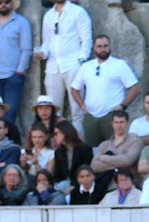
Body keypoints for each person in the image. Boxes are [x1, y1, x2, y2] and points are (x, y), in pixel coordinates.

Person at [69, 34, 140, 149]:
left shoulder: (119, 65)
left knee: (115, 149)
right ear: (94, 48)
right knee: (91, 152)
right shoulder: (86, 67)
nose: (103, 49)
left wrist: (122, 106)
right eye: (99, 46)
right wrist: (82, 106)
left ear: (110, 47)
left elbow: (135, 88)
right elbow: (74, 89)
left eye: (105, 46)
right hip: (90, 117)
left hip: (111, 117)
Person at [34, 0, 92, 128]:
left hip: (73, 64)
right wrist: (42, 53)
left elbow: (86, 39)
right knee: (54, 110)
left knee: (77, 109)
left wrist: (81, 61)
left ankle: (79, 142)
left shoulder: (78, 12)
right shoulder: (48, 15)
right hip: (53, 66)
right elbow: (47, 42)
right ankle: (55, 143)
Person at [0, 0, 31, 128]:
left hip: (13, 75)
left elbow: (26, 49)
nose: (3, 5)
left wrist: (19, 71)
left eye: (6, 2)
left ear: (12, 4)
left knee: (10, 113)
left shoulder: (21, 22)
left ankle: (9, 143)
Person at [89, 110, 142, 182]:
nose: (119, 126)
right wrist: (119, 164)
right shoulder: (104, 145)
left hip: (127, 183)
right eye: (116, 122)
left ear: (127, 123)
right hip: (106, 185)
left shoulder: (135, 141)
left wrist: (102, 157)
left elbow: (127, 161)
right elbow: (94, 166)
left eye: (121, 122)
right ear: (112, 124)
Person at [48, 119, 92, 190]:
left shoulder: (85, 150)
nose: (54, 137)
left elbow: (86, 172)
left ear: (65, 132)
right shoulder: (59, 152)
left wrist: (73, 187)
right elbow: (57, 176)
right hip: (62, 185)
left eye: (56, 134)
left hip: (79, 186)